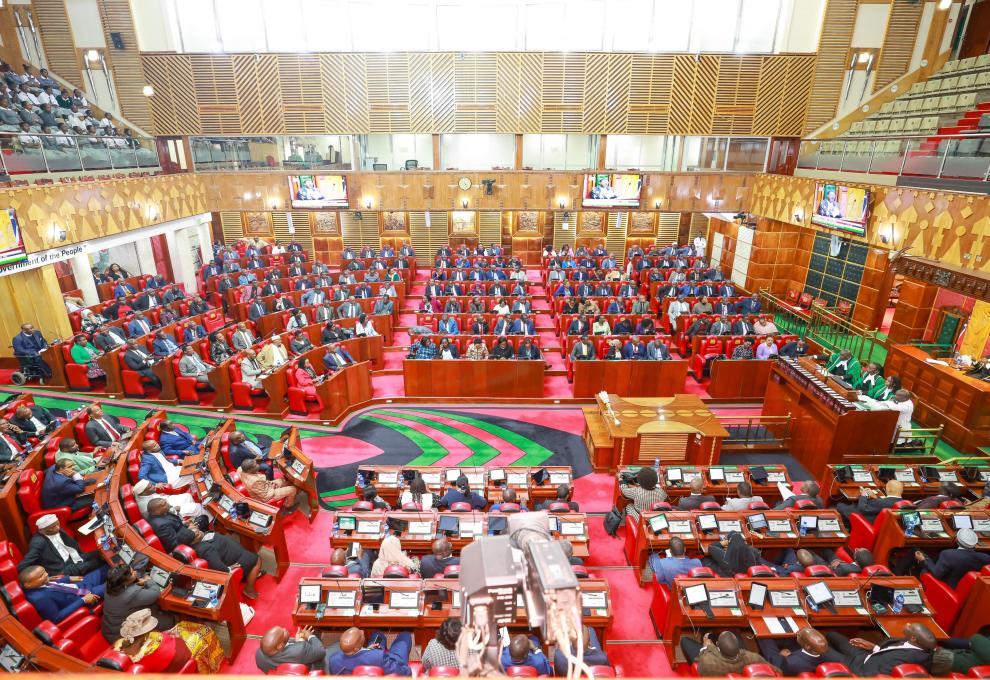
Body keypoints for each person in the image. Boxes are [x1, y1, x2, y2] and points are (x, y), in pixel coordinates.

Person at [146, 498, 261, 598]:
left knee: (222, 537)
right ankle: (249, 590)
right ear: (157, 510)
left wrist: (186, 525)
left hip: (199, 540)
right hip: (195, 545)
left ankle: (246, 574)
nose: (168, 503)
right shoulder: (161, 525)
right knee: (256, 559)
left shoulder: (160, 515)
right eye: (164, 504)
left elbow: (177, 527)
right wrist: (191, 532)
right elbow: (174, 544)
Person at [113, 608, 223, 673]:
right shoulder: (154, 650)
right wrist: (175, 638)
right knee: (203, 634)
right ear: (144, 634)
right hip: (180, 657)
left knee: (182, 625)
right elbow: (181, 654)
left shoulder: (120, 644)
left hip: (170, 648)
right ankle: (211, 665)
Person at [19, 514, 108, 584]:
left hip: (74, 557)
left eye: (58, 524)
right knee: (100, 560)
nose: (58, 527)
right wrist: (48, 579)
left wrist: (81, 555)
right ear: (44, 530)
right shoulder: (38, 543)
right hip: (62, 569)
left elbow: (72, 545)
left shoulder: (56, 529)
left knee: (102, 551)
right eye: (53, 527)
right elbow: (23, 566)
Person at [826, 623, 936, 675]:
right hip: (865, 654)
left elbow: (876, 675)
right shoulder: (914, 642)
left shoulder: (909, 658)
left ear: (913, 638)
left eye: (910, 627)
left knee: (823, 650)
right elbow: (891, 650)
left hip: (859, 667)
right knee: (832, 635)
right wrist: (874, 647)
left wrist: (853, 674)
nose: (907, 624)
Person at [102, 565, 175, 643]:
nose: (135, 572)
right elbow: (155, 594)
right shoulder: (130, 595)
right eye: (132, 573)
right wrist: (149, 581)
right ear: (125, 581)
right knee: (171, 620)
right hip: (121, 635)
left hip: (109, 628)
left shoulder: (111, 585)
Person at [19, 565, 102, 624]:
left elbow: (50, 584)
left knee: (105, 568)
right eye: (41, 576)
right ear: (28, 584)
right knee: (113, 581)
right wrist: (83, 600)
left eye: (44, 572)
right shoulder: (40, 599)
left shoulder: (36, 584)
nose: (46, 575)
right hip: (81, 597)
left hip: (79, 586)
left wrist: (67, 579)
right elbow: (57, 618)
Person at [914, 528, 990, 588]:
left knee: (915, 552)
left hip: (945, 586)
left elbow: (936, 574)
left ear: (956, 540)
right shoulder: (985, 558)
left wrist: (923, 560)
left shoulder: (947, 554)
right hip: (965, 588)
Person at [757, 627, 846, 676]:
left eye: (799, 635)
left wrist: (784, 657)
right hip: (802, 661)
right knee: (791, 641)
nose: (798, 633)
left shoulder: (791, 662)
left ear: (807, 646)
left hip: (786, 667)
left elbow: (779, 664)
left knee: (764, 637)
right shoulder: (831, 656)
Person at [327, 627, 412, 676]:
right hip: (387, 661)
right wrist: (408, 670)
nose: (362, 631)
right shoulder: (378, 657)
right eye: (360, 635)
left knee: (378, 635)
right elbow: (401, 672)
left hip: (371, 656)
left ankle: (379, 634)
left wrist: (367, 650)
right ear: (356, 648)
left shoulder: (333, 660)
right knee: (405, 636)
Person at [256, 625, 332, 674]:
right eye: (283, 632)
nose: (285, 628)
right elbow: (321, 651)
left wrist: (298, 642)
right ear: (280, 646)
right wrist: (310, 636)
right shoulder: (301, 650)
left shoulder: (258, 655)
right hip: (305, 671)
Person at [240, 458, 306, 512]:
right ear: (249, 470)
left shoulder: (241, 470)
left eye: (256, 464)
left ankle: (288, 496)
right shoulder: (254, 481)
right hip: (265, 495)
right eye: (255, 465)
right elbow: (266, 496)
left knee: (284, 479)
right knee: (292, 489)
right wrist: (275, 488)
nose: (258, 465)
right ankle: (288, 506)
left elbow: (262, 485)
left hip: (264, 487)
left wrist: (273, 484)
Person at [836, 479, 905, 525]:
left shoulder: (881, 503)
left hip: (867, 519)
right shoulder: (904, 503)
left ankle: (847, 528)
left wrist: (863, 495)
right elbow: (886, 502)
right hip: (882, 521)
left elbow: (863, 508)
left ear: (888, 491)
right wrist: (875, 497)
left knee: (840, 505)